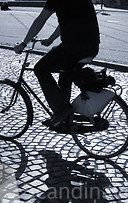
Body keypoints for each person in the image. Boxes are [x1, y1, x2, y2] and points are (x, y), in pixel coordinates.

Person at [14, 0, 100, 128]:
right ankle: (63, 118)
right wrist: (50, 39)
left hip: (74, 47)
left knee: (40, 69)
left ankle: (62, 110)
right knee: (65, 73)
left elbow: (41, 19)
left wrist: (23, 44)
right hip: (92, 46)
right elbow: (67, 22)